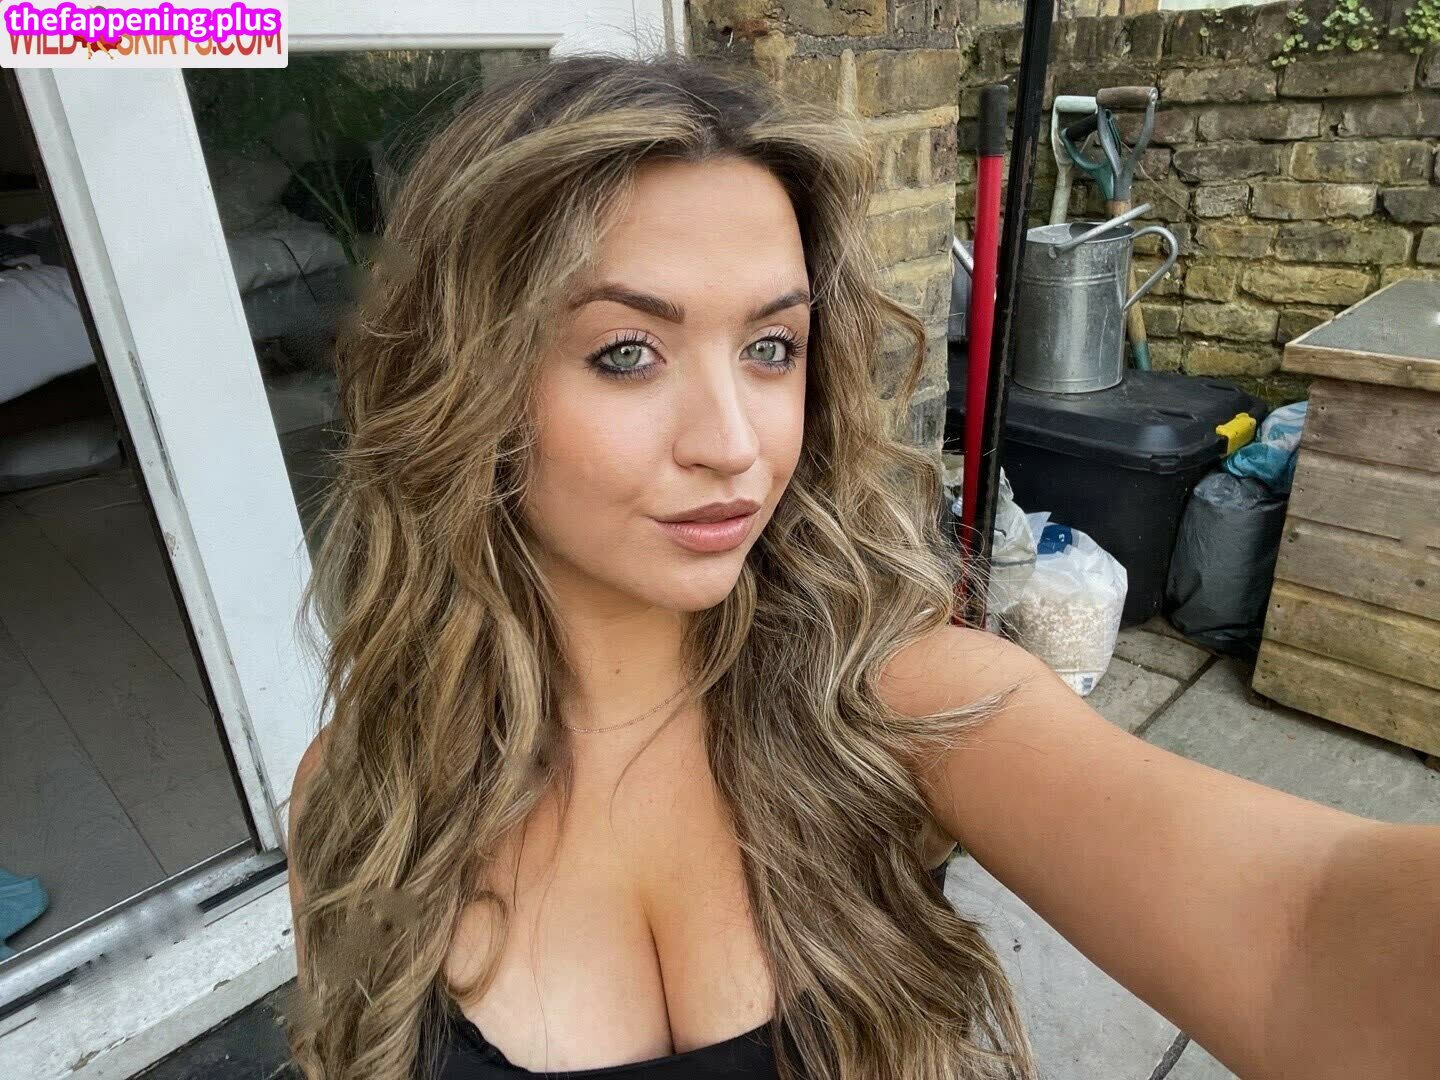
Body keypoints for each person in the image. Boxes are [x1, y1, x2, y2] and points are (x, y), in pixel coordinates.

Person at [283, 53, 1440, 1080]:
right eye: (627, 352)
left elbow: (1305, 927)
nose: (734, 442)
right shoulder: (363, 794)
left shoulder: (901, 706)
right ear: (464, 384)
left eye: (770, 347)